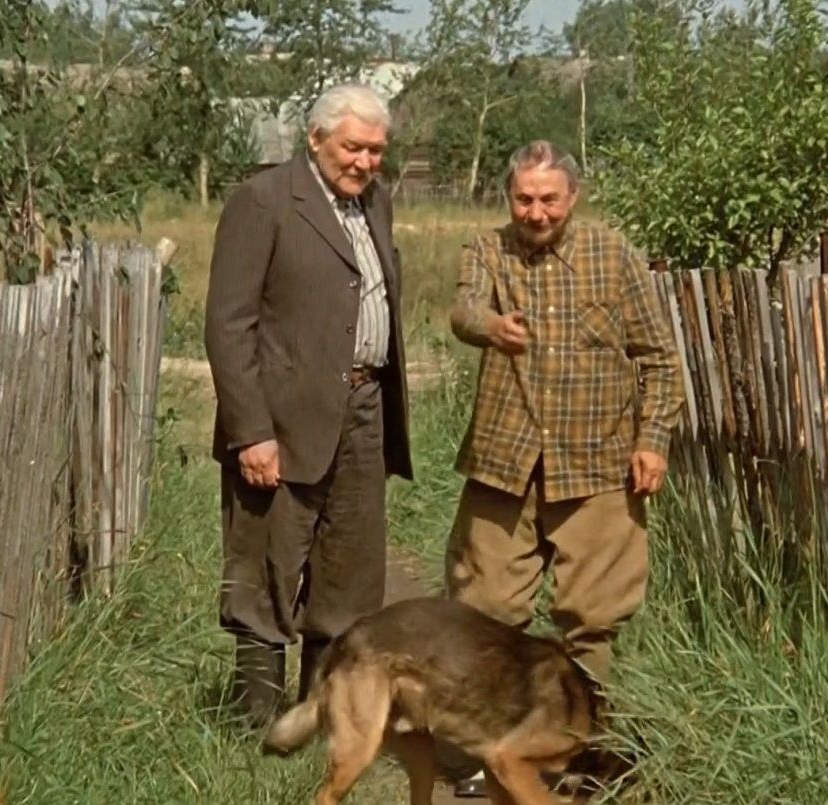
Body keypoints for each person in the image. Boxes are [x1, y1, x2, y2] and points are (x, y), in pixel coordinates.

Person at [443, 140, 684, 796]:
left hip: (598, 462)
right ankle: (489, 750)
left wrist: (652, 440)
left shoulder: (613, 254)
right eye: (524, 198)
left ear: (573, 196)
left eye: (549, 199)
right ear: (508, 197)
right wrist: (491, 325)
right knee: (485, 609)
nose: (537, 212)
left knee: (593, 616)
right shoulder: (487, 250)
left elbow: (660, 358)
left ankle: (581, 750)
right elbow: (464, 309)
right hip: (505, 460)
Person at [204, 83, 412, 728]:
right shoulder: (264, 200)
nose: (365, 162)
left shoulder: (376, 201)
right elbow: (228, 325)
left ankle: (315, 725)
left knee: (349, 573)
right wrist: (251, 433)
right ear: (316, 138)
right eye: (353, 147)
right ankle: (256, 730)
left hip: (364, 409)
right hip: (282, 418)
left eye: (376, 150)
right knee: (266, 568)